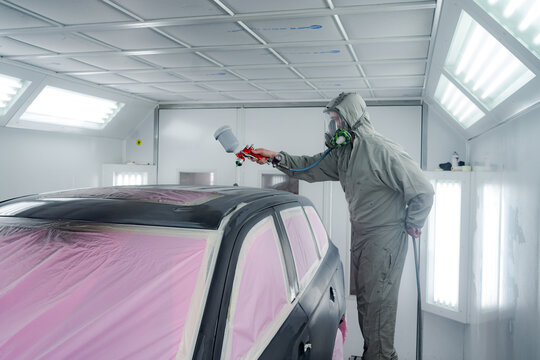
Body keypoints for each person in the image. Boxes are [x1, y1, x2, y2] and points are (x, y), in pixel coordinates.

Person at [250, 92, 434, 360]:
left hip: (385, 239)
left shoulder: (381, 150)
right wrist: (275, 158)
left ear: (352, 120)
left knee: (378, 307)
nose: (333, 126)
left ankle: (381, 357)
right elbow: (309, 167)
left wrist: (413, 222)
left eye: (337, 120)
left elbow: (423, 190)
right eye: (332, 121)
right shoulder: (344, 154)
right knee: (366, 305)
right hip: (361, 235)